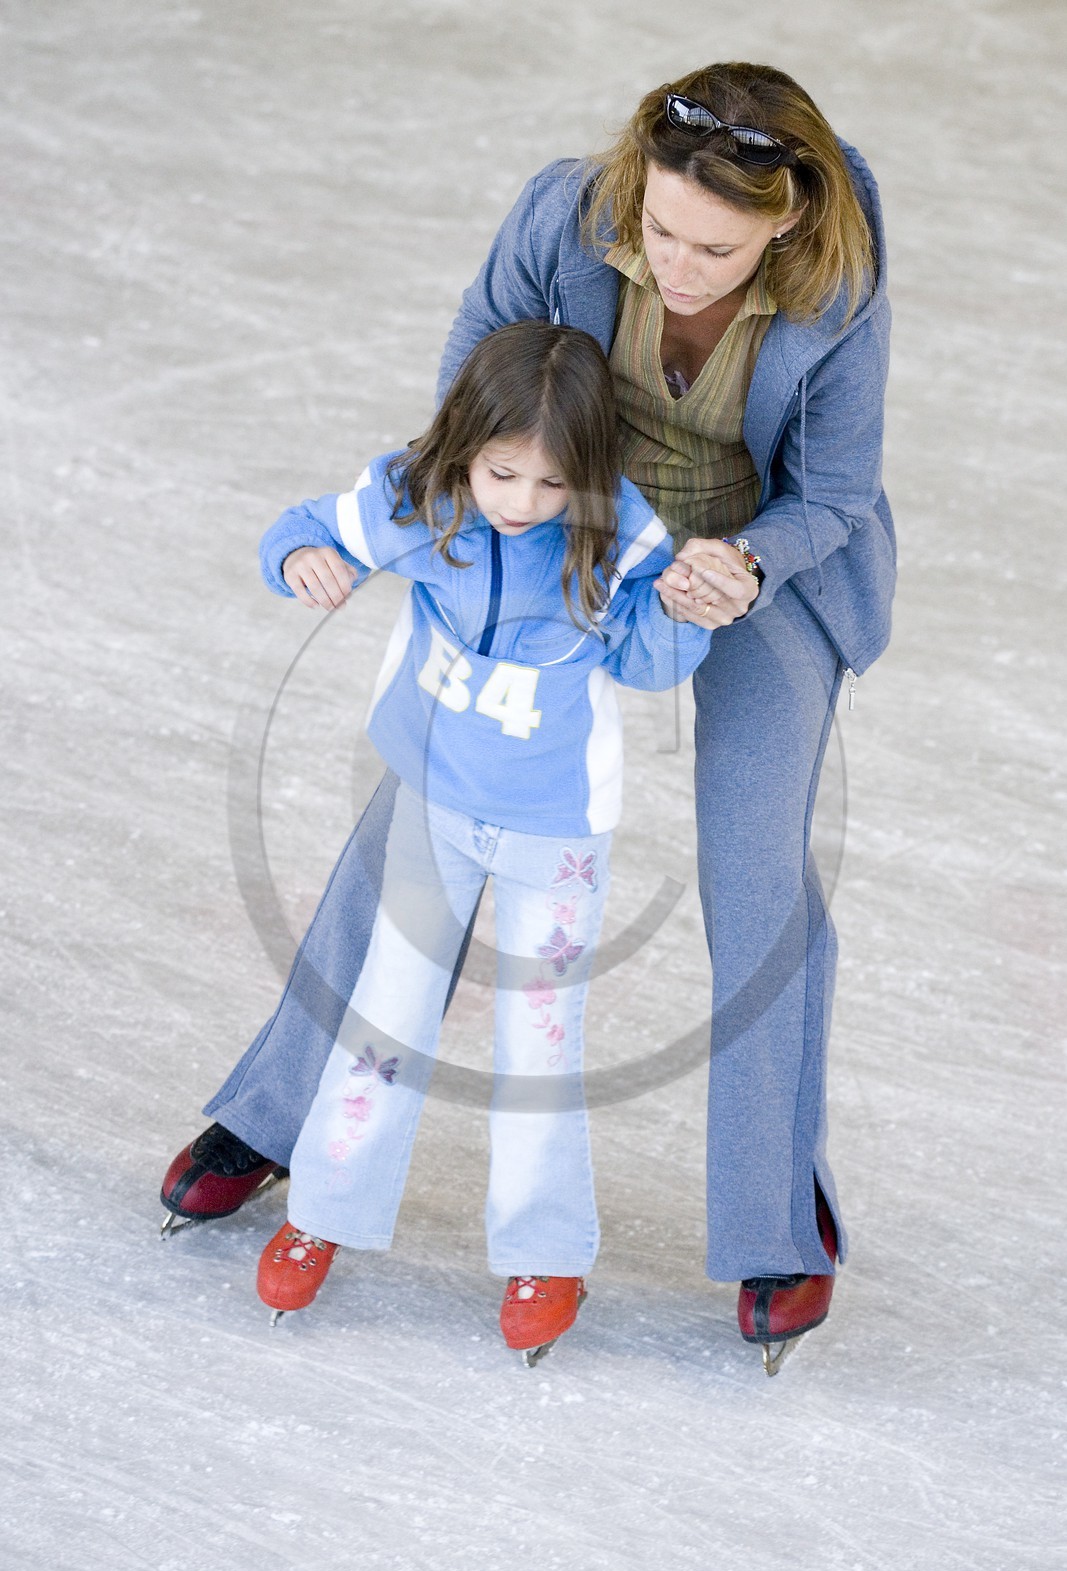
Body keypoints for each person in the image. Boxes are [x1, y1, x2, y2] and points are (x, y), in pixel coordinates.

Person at [160, 62, 894, 1374]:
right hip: (557, 515)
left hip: (746, 556)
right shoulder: (566, 212)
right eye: (658, 229)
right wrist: (467, 512)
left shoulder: (837, 269)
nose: (675, 261)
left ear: (779, 222)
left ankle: (776, 1217)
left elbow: (833, 487)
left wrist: (741, 566)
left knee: (751, 863)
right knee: (425, 819)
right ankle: (278, 1119)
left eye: (712, 247)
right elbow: (475, 370)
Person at [209, 320, 711, 1357]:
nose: (520, 503)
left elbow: (653, 667)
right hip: (435, 808)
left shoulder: (620, 536)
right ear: (464, 447)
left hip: (555, 833)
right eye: (501, 473)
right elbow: (302, 527)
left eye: (548, 484)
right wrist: (299, 556)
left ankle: (546, 1248)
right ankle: (324, 1213)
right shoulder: (418, 499)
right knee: (386, 1017)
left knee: (537, 1045)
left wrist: (684, 608)